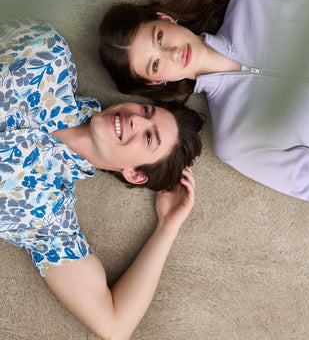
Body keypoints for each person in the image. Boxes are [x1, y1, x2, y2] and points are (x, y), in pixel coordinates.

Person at [0, 19, 203, 340]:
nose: (135, 118)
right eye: (146, 112)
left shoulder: (49, 219)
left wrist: (167, 229)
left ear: (135, 174)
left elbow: (115, 324)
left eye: (149, 138)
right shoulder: (47, 54)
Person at [99, 0, 309, 202]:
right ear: (156, 80)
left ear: (165, 19)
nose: (172, 53)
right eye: (155, 64)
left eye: (159, 37)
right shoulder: (235, 139)